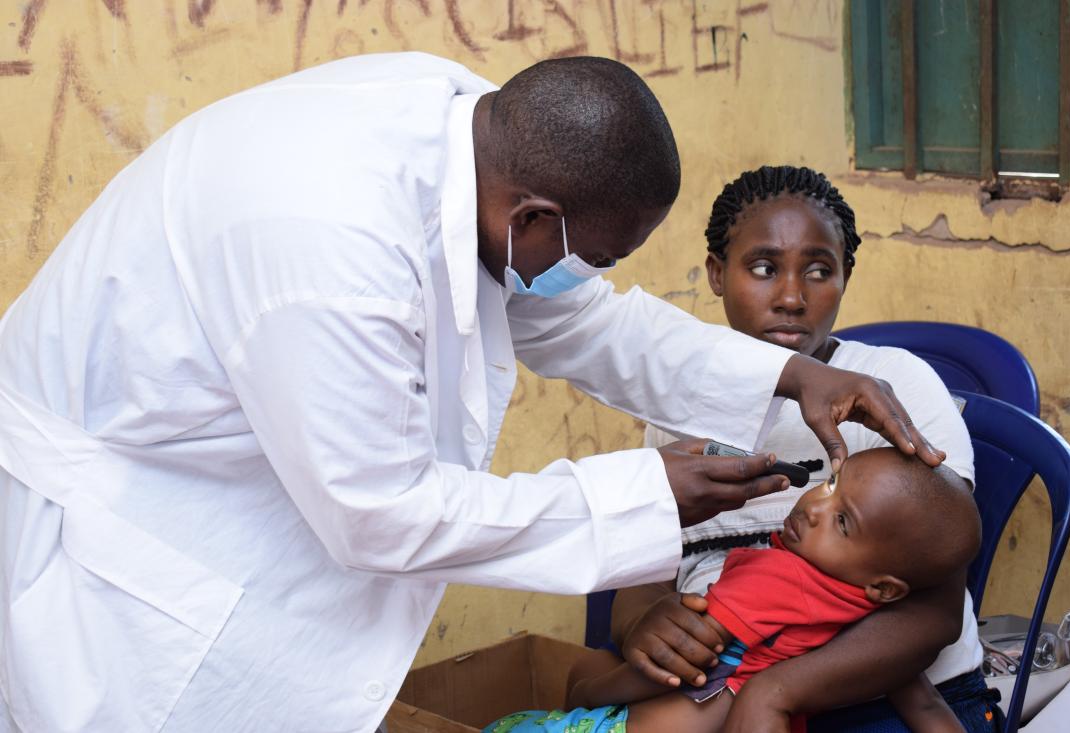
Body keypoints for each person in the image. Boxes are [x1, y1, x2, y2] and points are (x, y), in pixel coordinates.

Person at [0, 59, 942, 733]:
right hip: (134, 545)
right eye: (593, 254)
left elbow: (586, 322)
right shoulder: (331, 251)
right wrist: (643, 492)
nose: (592, 277)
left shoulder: (464, 127)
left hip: (228, 475)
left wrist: (790, 374)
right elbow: (380, 511)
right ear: (531, 217)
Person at [608, 165, 1002, 732]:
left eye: (819, 272)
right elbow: (645, 567)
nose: (792, 297)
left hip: (880, 692)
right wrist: (646, 623)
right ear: (718, 274)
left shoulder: (888, 386)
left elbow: (934, 612)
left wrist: (777, 691)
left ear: (846, 277)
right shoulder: (679, 408)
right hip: (715, 691)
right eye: (764, 268)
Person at [483, 448, 982, 733]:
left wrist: (584, 697)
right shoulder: (867, 626)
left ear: (884, 587)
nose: (812, 506)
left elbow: (680, 663)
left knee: (572, 678)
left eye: (842, 521)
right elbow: (924, 706)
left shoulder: (774, 580)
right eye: (831, 485)